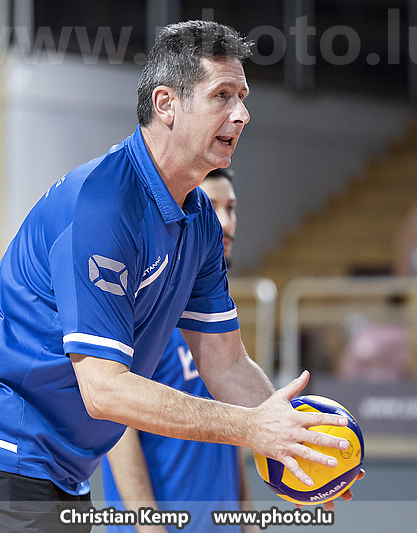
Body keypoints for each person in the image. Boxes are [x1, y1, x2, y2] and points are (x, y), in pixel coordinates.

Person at [0, 20, 353, 533]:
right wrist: (253, 429)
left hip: (60, 461)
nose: (242, 114)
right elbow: (105, 390)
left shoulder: (199, 221)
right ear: (166, 104)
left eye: (242, 97)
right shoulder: (104, 206)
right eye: (222, 95)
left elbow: (226, 363)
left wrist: (304, 445)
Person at [100, 168, 257, 533]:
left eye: (231, 208)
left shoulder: (219, 318)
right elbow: (118, 434)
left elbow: (231, 434)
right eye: (212, 206)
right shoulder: (144, 309)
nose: (225, 222)